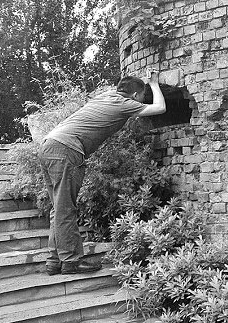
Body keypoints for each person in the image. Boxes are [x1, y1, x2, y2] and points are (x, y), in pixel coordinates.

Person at [38, 68, 166, 275]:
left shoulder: (106, 96)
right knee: (65, 208)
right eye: (141, 96)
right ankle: (71, 262)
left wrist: (134, 79)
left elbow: (122, 89)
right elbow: (160, 107)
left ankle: (54, 261)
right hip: (66, 150)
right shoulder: (126, 104)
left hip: (48, 145)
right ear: (135, 96)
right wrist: (153, 84)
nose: (142, 100)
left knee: (59, 207)